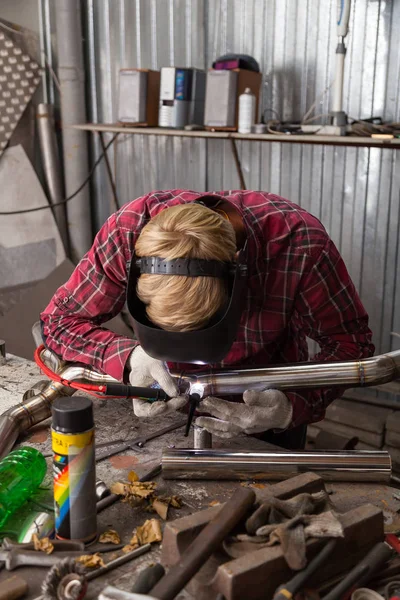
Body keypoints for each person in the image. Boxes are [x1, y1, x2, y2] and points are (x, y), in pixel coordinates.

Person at [40, 190, 374, 449]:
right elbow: (59, 322)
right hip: (164, 411)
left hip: (260, 412)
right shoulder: (126, 233)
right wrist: (130, 358)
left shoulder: (299, 245)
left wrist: (290, 407)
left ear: (238, 283)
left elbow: (352, 346)